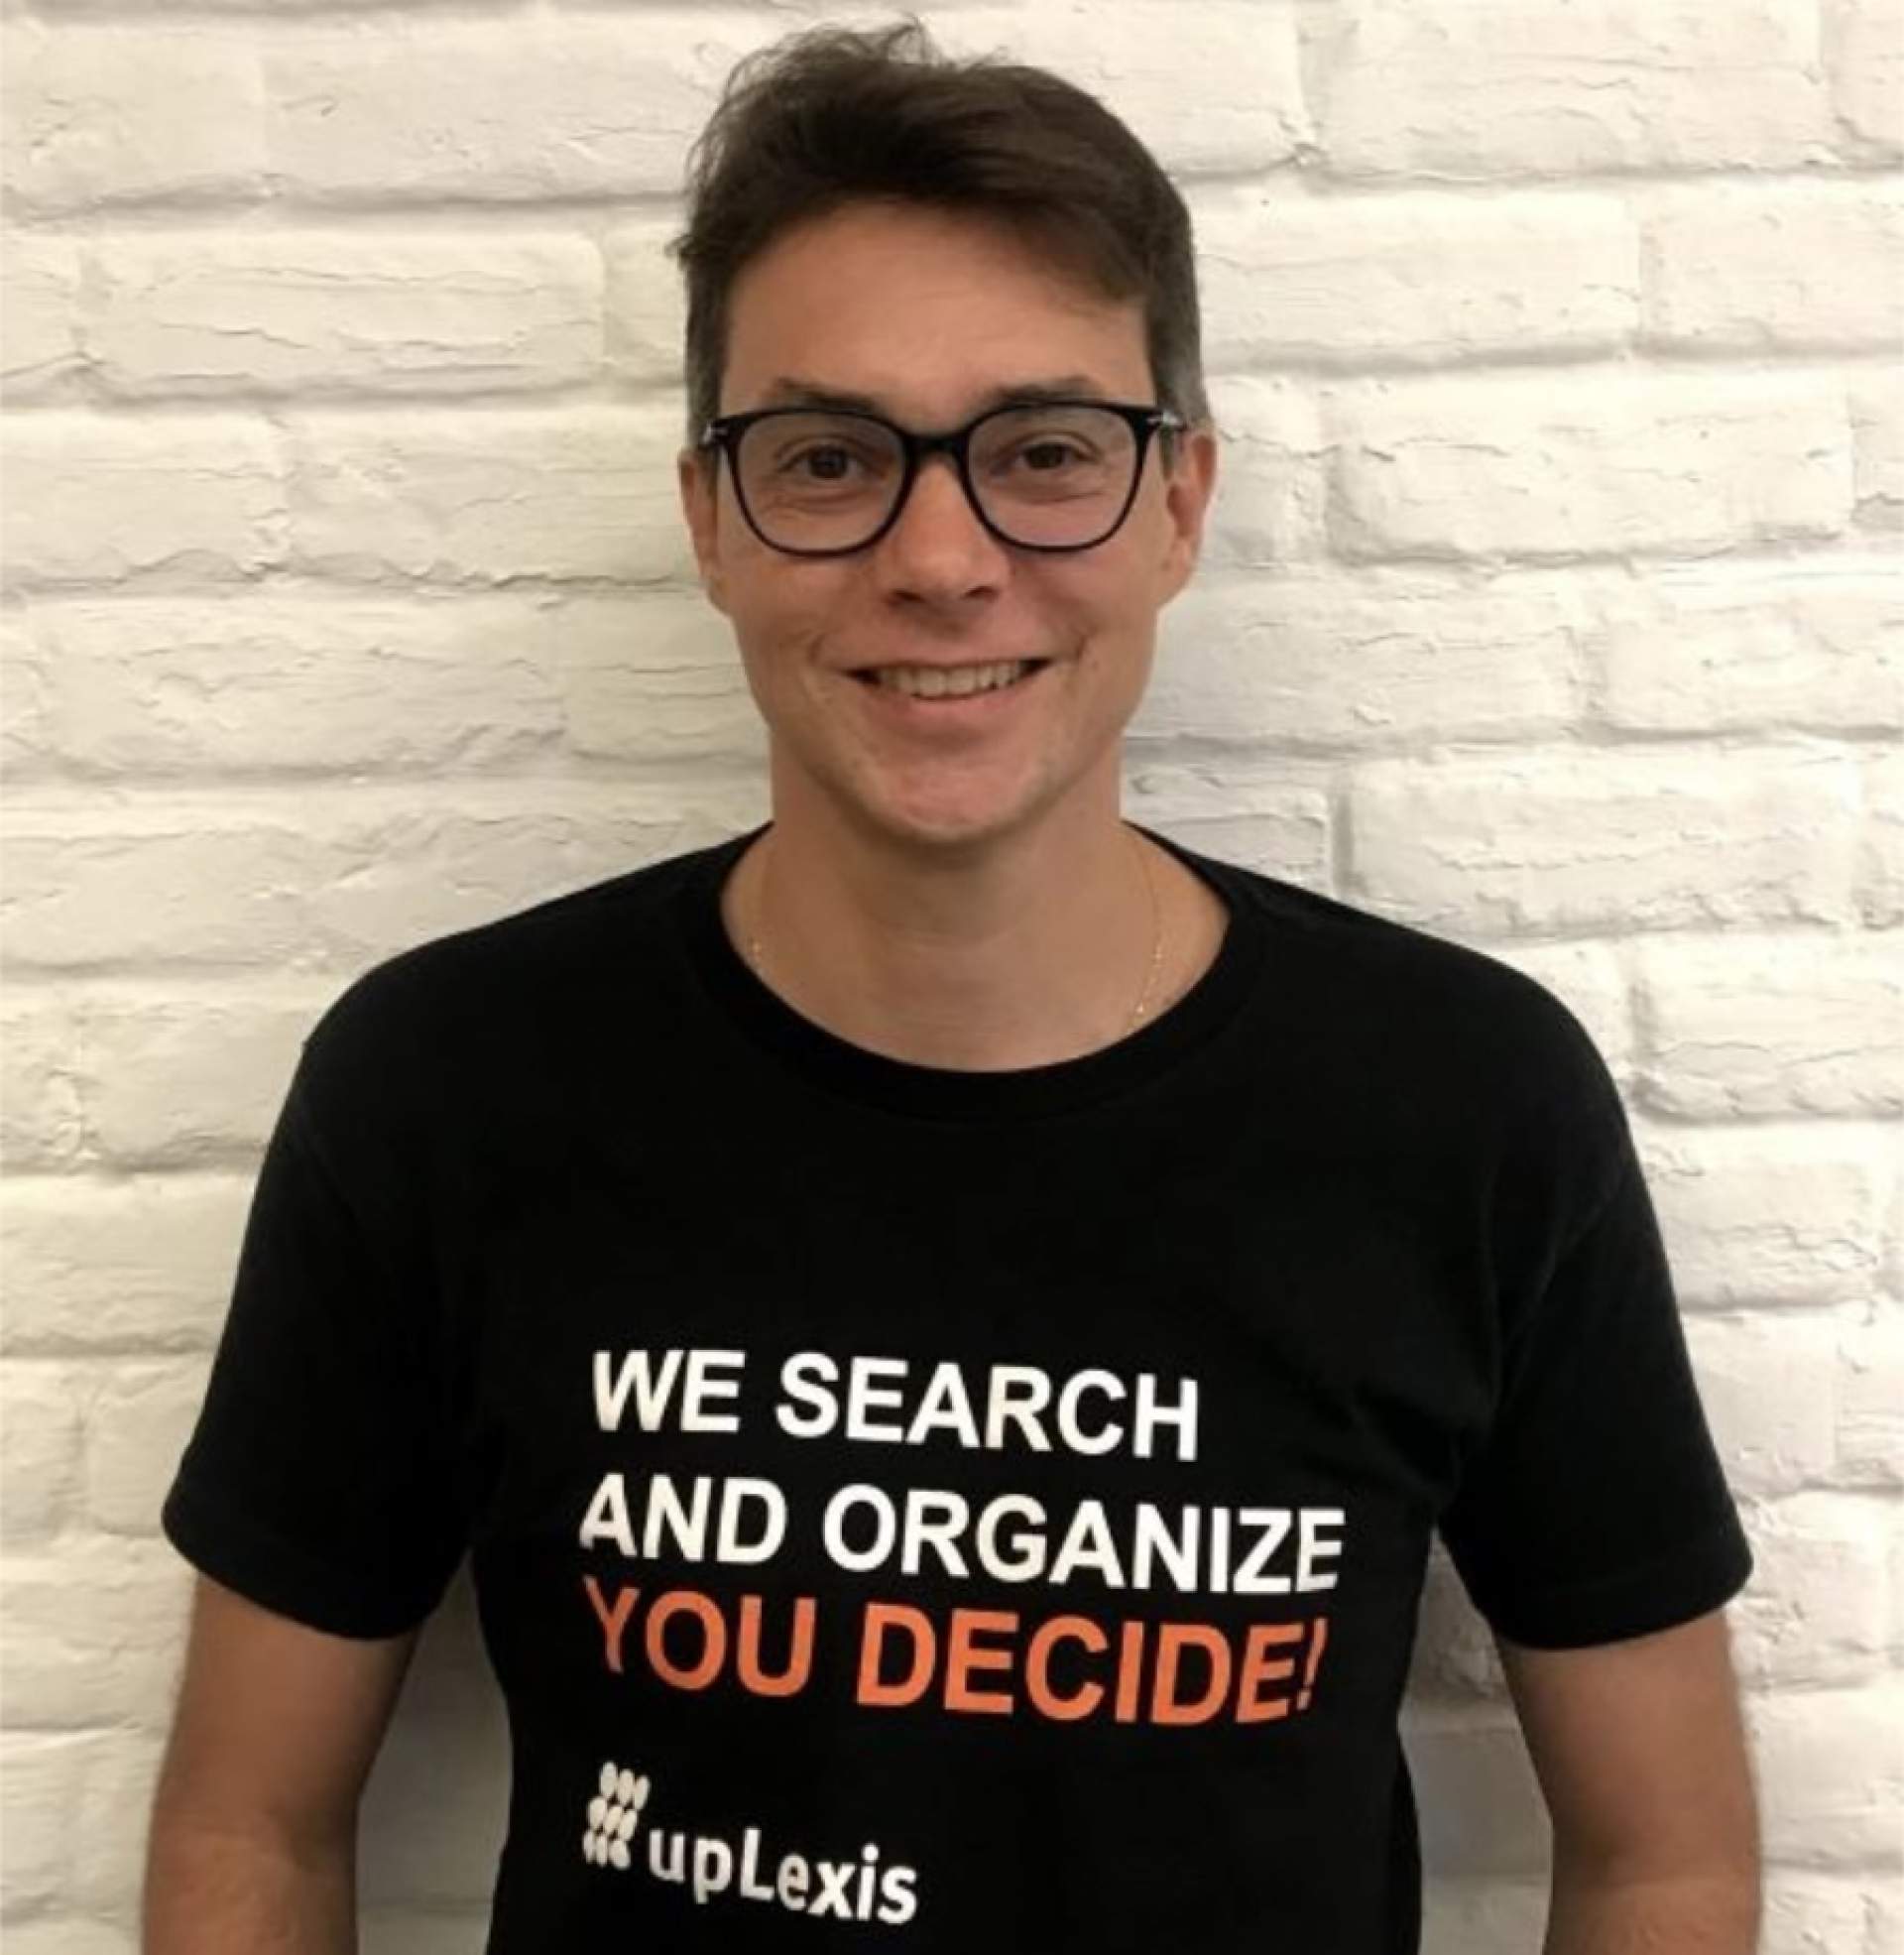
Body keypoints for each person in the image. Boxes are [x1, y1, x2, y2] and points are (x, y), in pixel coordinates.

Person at [143, 18, 1760, 1954]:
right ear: (710, 518)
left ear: (1181, 503)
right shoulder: (446, 1088)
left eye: (1045, 453)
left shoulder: (1464, 1105)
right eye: (828, 458)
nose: (941, 557)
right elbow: (251, 1825)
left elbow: (1665, 1856)